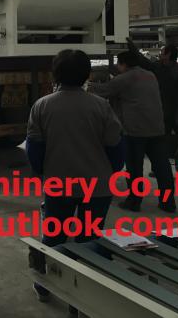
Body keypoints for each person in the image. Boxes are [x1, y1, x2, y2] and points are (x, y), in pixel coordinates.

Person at [26, 49, 124, 304]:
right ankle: (86, 289)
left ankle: (45, 284)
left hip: (59, 184)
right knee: (89, 238)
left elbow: (34, 149)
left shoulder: (42, 106)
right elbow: (115, 148)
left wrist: (42, 172)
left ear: (55, 74)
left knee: (54, 235)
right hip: (97, 186)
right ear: (86, 75)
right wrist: (109, 172)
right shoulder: (101, 106)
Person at [89, 51, 176, 213]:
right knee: (162, 167)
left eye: (118, 64)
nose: (117, 67)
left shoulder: (125, 78)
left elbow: (103, 91)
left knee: (134, 168)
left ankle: (134, 202)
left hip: (135, 131)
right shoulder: (150, 75)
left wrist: (87, 84)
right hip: (157, 128)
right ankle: (168, 203)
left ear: (123, 64)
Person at [127, 39, 178, 176]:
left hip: (177, 110)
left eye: (162, 52)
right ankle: (158, 169)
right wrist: (133, 48)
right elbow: (144, 62)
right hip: (163, 111)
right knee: (160, 143)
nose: (160, 54)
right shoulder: (159, 66)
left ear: (168, 55)